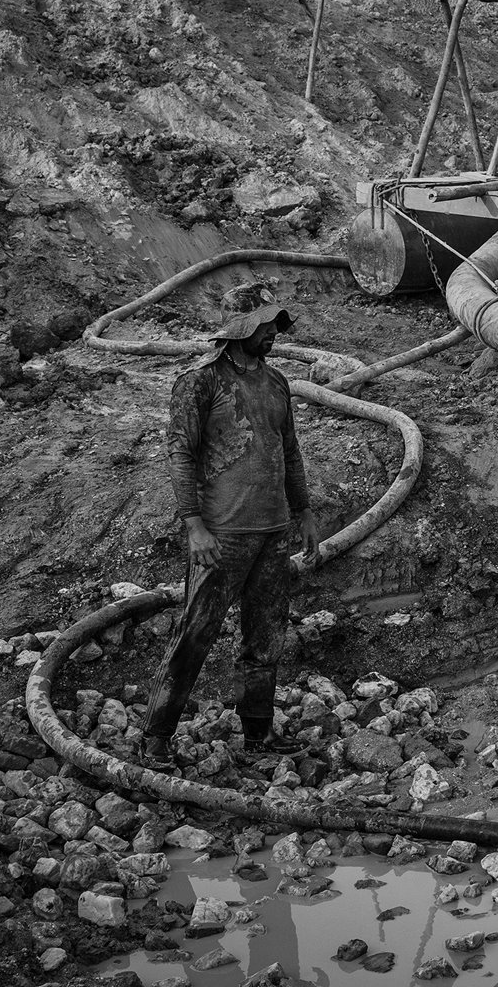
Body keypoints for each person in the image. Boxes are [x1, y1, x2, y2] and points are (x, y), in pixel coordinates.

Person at [143, 302, 320, 765]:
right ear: (240, 328)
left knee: (266, 637)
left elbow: (290, 451)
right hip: (222, 535)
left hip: (274, 531)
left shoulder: (277, 382)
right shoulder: (200, 382)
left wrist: (303, 511)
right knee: (196, 633)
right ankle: (156, 738)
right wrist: (193, 525)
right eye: (265, 327)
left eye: (276, 327)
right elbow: (180, 453)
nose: (273, 335)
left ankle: (259, 736)